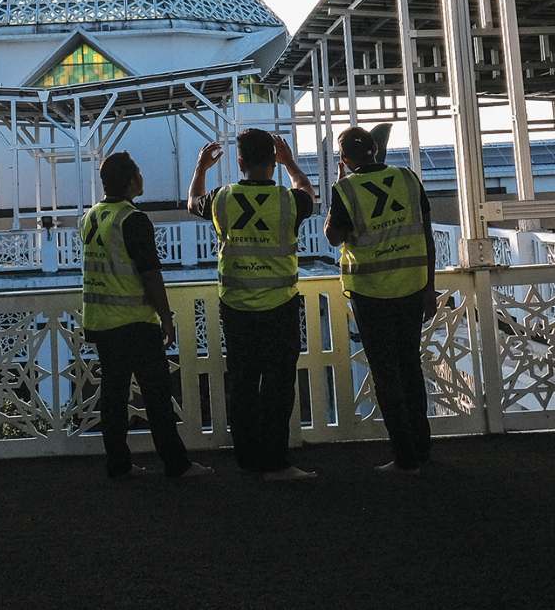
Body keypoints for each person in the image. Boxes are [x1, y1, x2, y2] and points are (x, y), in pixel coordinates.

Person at [189, 128, 317, 481]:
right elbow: (309, 192)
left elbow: (192, 202)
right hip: (280, 306)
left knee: (243, 384)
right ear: (273, 161)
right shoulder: (288, 201)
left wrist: (201, 169)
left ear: (239, 161)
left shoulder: (222, 198)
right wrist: (291, 163)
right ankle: (276, 462)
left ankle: (247, 460)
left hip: (237, 307)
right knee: (278, 385)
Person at [80, 151, 212, 481]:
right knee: (157, 396)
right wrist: (165, 316)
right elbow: (150, 273)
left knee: (113, 395)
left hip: (101, 320)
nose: (142, 178)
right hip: (134, 321)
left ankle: (118, 464)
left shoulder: (92, 217)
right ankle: (176, 464)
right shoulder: (132, 219)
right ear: (130, 181)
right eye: (138, 173)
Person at [324, 124, 437, 474]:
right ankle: (422, 448)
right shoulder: (407, 178)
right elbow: (426, 233)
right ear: (375, 148)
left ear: (344, 159)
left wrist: (339, 187)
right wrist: (429, 287)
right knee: (410, 368)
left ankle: (405, 457)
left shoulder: (345, 189)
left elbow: (332, 236)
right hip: (412, 287)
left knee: (386, 375)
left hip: (371, 294)